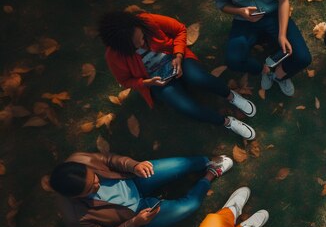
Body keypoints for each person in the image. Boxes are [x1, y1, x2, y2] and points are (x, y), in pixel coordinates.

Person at [98, 10, 256, 140]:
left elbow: (180, 29)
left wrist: (179, 56)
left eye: (141, 38)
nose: (141, 44)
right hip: (156, 80)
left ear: (137, 25)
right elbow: (125, 81)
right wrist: (148, 83)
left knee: (200, 78)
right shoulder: (113, 56)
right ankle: (227, 122)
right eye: (135, 46)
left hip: (176, 58)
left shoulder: (146, 20)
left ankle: (231, 96)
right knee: (186, 108)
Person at [49, 152, 233, 227]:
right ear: (75, 196)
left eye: (94, 177)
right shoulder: (76, 217)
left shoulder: (80, 160)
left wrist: (134, 165)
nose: (97, 182)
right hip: (136, 214)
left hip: (133, 179)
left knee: (180, 164)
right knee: (189, 206)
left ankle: (206, 161)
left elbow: (109, 159)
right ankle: (210, 175)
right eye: (91, 188)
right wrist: (135, 223)